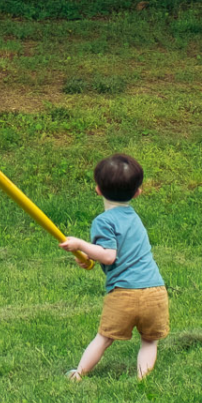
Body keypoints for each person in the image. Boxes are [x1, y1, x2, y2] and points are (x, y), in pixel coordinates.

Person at [58, 153, 168, 380]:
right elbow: (119, 253)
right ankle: (142, 380)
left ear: (97, 189)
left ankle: (79, 374)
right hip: (155, 291)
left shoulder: (104, 221)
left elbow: (109, 256)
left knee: (105, 337)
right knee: (149, 340)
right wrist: (89, 257)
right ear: (138, 192)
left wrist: (81, 244)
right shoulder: (134, 218)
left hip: (124, 292)